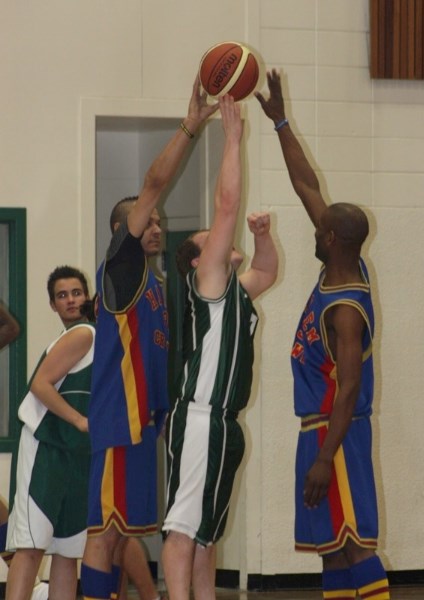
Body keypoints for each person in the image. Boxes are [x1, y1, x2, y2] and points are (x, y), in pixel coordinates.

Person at [80, 75, 218, 600]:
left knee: (121, 537)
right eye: (147, 221)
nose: (156, 225)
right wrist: (189, 126)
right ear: (125, 232)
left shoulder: (158, 286)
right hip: (119, 419)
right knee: (105, 533)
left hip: (144, 426)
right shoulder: (120, 267)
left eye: (159, 221)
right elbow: (154, 183)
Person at [256, 69, 390, 600]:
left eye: (318, 229)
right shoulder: (336, 264)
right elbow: (306, 183)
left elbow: (351, 386)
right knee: (330, 546)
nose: (313, 229)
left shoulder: (346, 310)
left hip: (339, 432)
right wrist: (281, 121)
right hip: (317, 428)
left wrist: (323, 455)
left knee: (356, 544)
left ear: (329, 238)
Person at [161, 94, 279, 600]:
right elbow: (225, 205)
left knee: (207, 535)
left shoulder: (234, 291)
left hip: (224, 424)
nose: (225, 238)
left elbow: (268, 270)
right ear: (199, 260)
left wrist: (264, 235)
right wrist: (232, 139)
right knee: (183, 530)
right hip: (199, 417)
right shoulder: (207, 281)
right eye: (214, 239)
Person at [6, 266, 95, 600]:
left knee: (67, 550)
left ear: (87, 296)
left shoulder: (89, 333)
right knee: (30, 547)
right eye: (62, 295)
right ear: (52, 305)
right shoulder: (83, 334)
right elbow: (39, 385)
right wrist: (79, 420)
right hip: (45, 448)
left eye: (76, 292)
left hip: (75, 453)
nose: (71, 300)